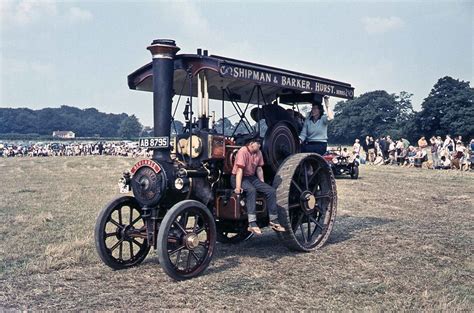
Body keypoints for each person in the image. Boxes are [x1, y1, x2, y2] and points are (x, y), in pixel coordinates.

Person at [231, 138, 285, 235]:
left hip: (251, 177)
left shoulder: (259, 152)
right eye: (258, 144)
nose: (260, 145)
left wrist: (262, 184)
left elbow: (259, 169)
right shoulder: (243, 151)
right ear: (251, 144)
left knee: (271, 191)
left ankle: (273, 220)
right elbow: (239, 170)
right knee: (251, 190)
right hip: (238, 177)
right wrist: (238, 187)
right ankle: (252, 223)